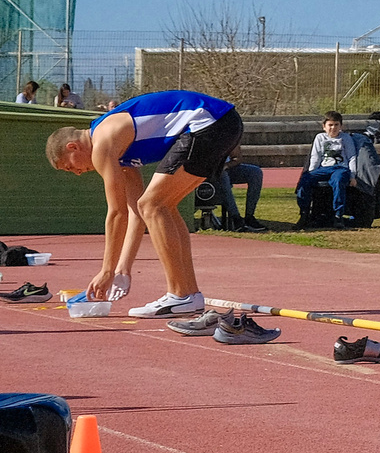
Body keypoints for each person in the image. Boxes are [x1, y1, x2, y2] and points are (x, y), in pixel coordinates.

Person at [44, 89, 243, 318]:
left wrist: (106, 271)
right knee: (160, 206)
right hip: (223, 123)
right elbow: (135, 211)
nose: (77, 173)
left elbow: (116, 213)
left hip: (209, 122)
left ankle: (179, 296)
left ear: (73, 147)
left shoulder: (102, 143)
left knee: (154, 205)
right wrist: (122, 269)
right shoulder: (119, 150)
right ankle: (190, 294)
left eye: (70, 167)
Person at [299, 111, 364, 224]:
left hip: (340, 168)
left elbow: (352, 157)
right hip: (323, 168)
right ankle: (304, 213)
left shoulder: (345, 138)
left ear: (340, 126)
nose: (333, 128)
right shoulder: (320, 138)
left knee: (338, 182)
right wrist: (311, 173)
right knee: (304, 180)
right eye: (330, 125)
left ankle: (338, 215)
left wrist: (352, 176)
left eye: (336, 125)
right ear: (324, 126)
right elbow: (316, 156)